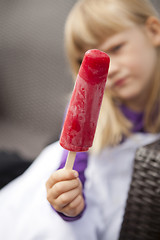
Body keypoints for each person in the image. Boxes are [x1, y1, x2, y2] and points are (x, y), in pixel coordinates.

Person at [0, 0, 160, 239]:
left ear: (154, 31)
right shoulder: (97, 113)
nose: (111, 69)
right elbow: (75, 184)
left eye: (116, 48)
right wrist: (69, 204)